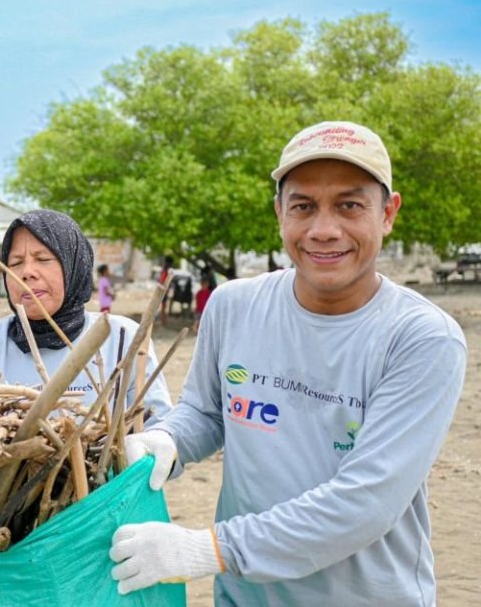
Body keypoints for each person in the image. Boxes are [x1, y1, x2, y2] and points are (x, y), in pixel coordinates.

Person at [110, 121, 466, 605]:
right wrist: (167, 440)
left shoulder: (422, 339)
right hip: (243, 597)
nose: (323, 229)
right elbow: (207, 411)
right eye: (303, 206)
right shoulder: (232, 305)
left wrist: (208, 549)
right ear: (279, 213)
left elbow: (365, 503)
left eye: (349, 205)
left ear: (388, 213)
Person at [0, 209, 172, 421]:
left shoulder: (122, 339)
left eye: (43, 259)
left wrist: (147, 450)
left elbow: (158, 426)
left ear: (73, 266)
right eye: (16, 263)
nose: (27, 272)